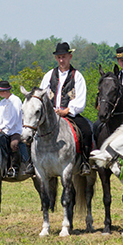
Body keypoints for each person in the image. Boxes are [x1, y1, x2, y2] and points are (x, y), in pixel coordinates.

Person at [40, 42, 93, 172]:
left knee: (86, 130)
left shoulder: (77, 76)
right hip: (50, 116)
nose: (61, 60)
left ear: (70, 56)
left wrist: (66, 111)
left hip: (70, 115)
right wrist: (50, 111)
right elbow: (42, 96)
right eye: (59, 57)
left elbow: (80, 99)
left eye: (64, 57)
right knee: (32, 132)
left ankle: (85, 162)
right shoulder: (48, 76)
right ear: (56, 58)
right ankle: (32, 163)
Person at [0, 80, 24, 178]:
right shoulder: (2, 102)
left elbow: (14, 118)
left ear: (5, 91)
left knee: (13, 144)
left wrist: (1, 127)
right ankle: (1, 167)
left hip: (15, 130)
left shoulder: (16, 100)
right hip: (4, 130)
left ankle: (14, 168)